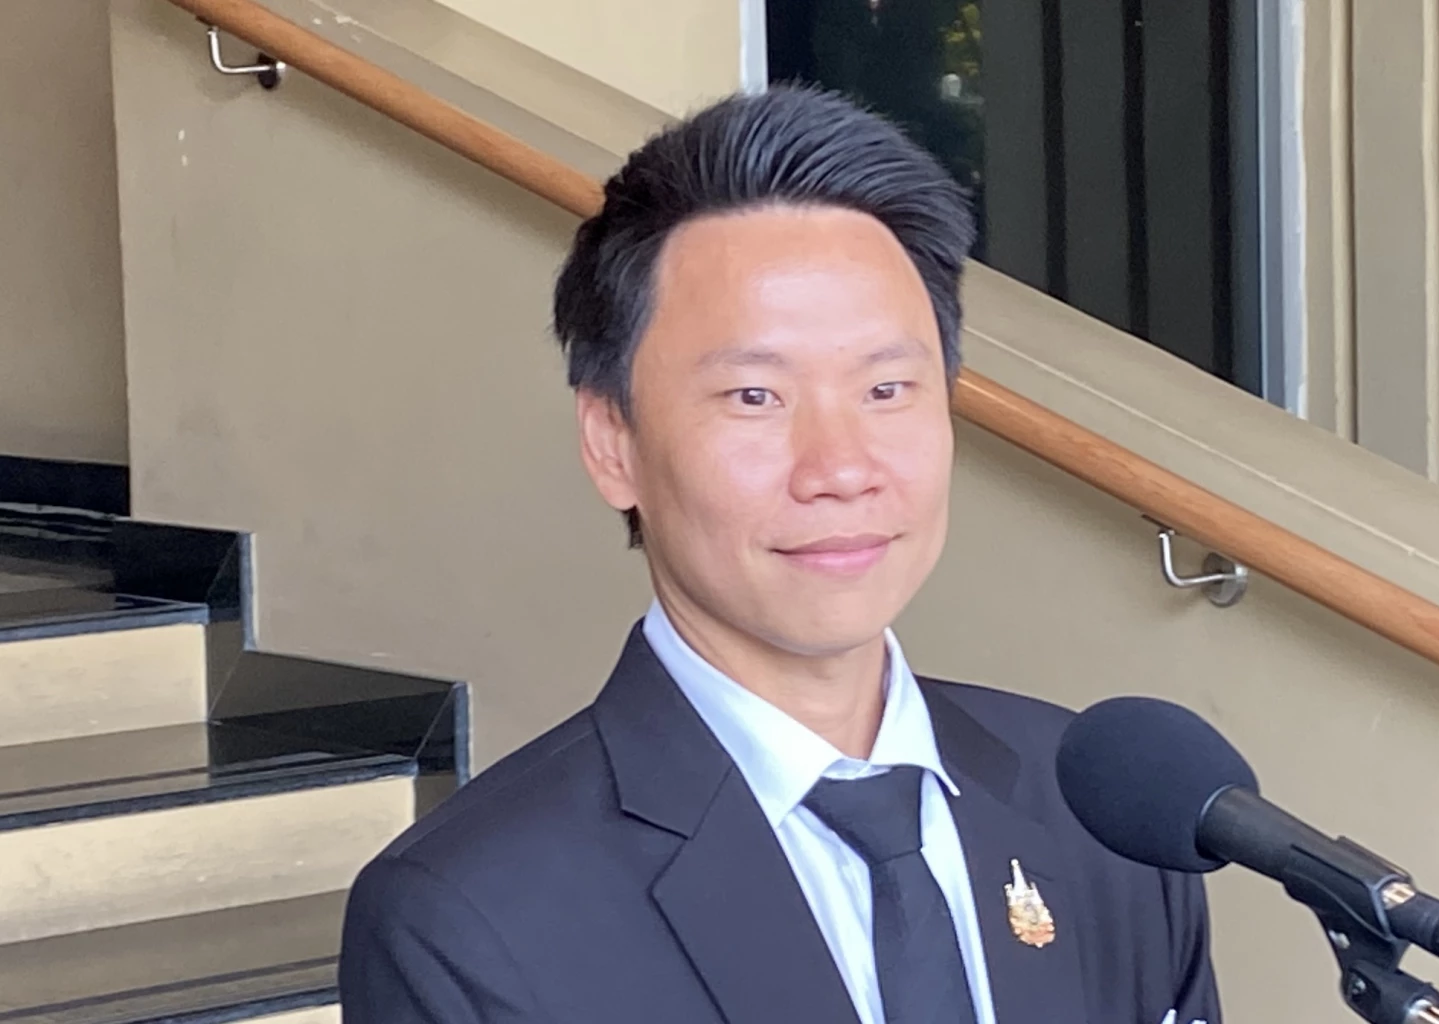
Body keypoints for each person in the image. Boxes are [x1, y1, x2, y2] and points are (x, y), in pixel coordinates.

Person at [339, 85, 1219, 1024]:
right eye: (755, 397)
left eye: (887, 389)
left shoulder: (1104, 813)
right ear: (613, 443)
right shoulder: (467, 915)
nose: (840, 469)